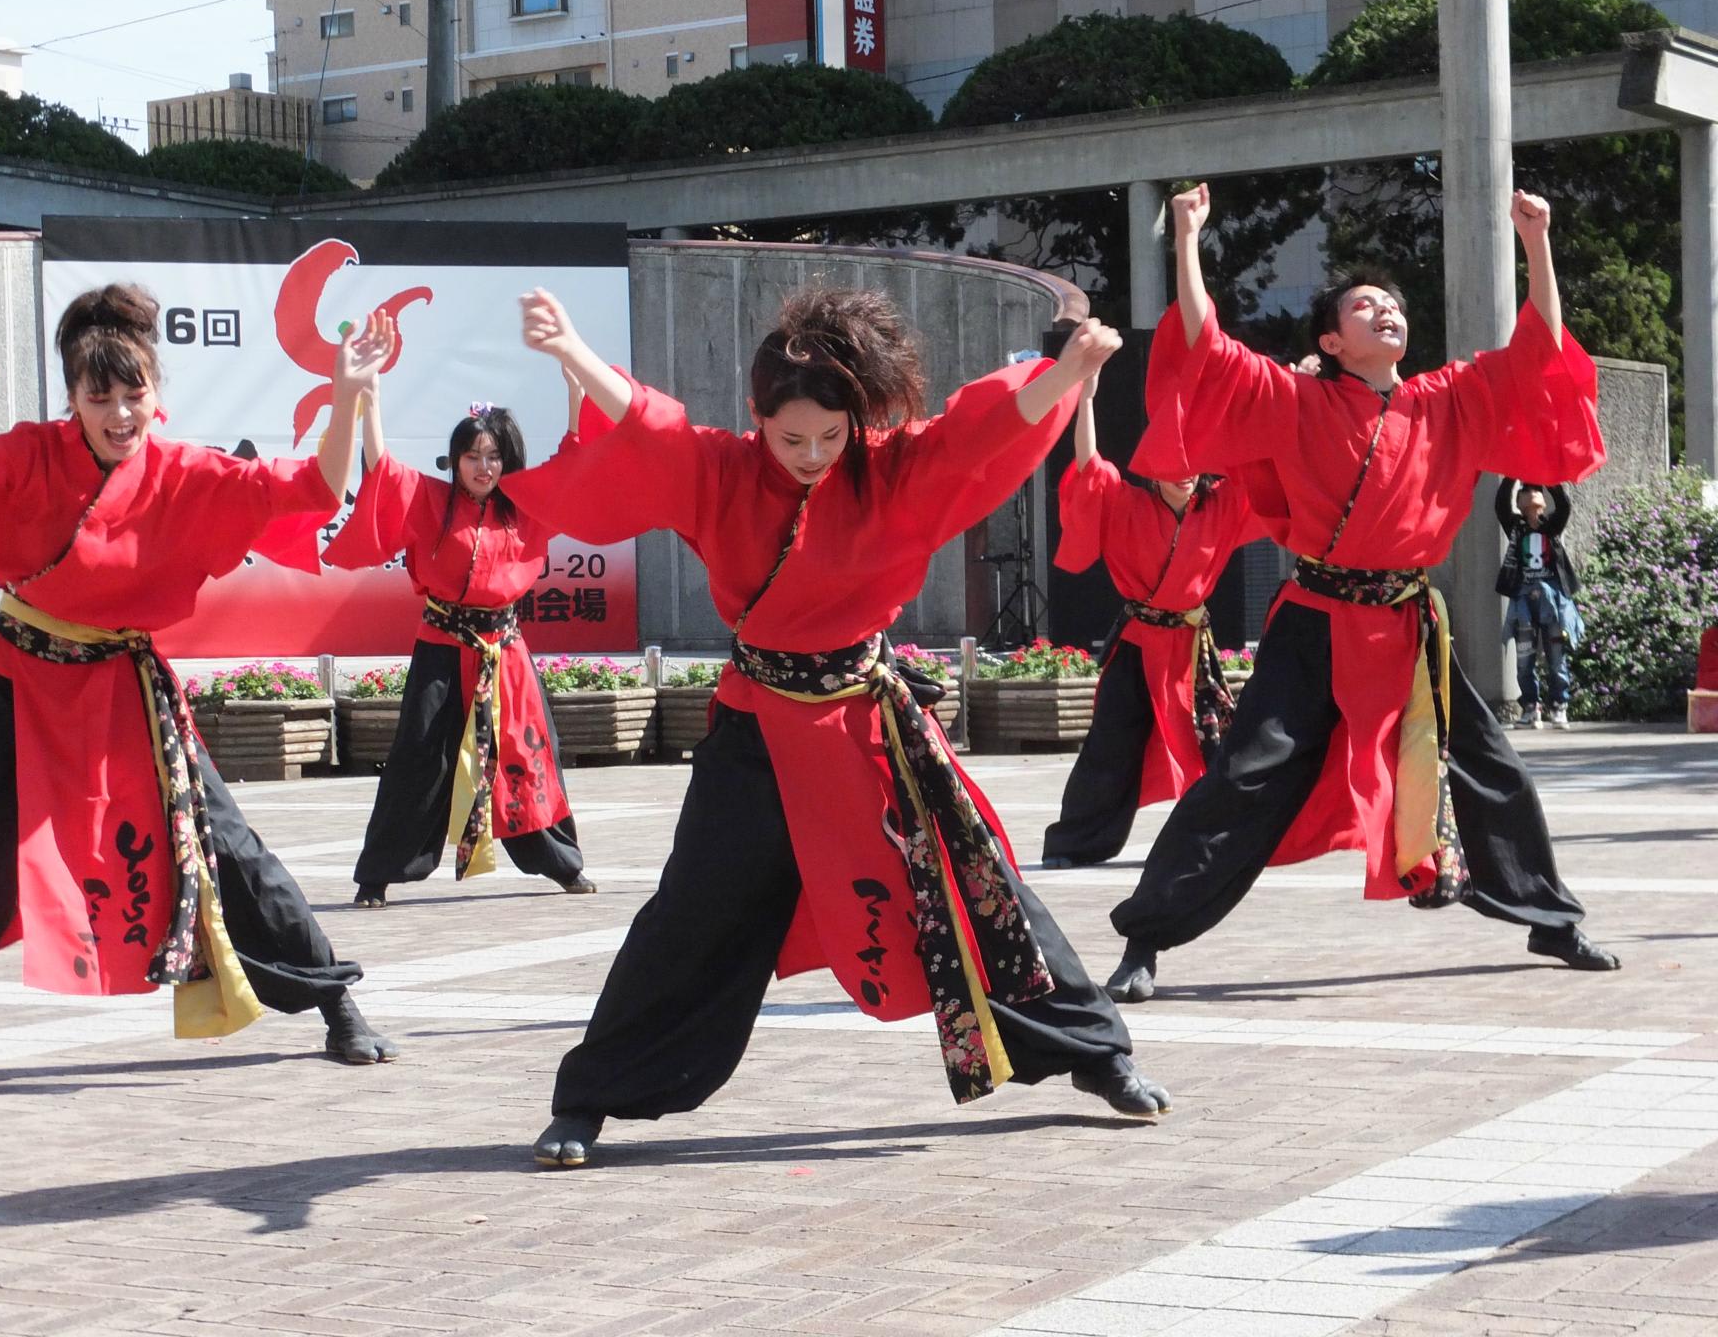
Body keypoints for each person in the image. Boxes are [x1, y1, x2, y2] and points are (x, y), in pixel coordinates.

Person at [502, 284, 1172, 1170]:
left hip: (869, 726)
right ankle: (592, 1099)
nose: (812, 454)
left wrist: (1069, 372)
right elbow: (648, 424)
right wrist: (570, 349)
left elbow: (979, 432)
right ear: (757, 418)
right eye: (791, 438)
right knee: (693, 913)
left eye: (830, 435)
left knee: (981, 892)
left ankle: (1097, 1054)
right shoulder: (721, 472)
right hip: (757, 731)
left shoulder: (893, 471)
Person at [0, 287, 400, 1107]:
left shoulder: (184, 472)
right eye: (99, 395)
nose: (121, 413)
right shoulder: (24, 457)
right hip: (16, 688)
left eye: (135, 393)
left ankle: (332, 996)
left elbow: (312, 491)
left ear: (159, 391)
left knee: (226, 849)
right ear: (72, 396)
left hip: (126, 696)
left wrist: (345, 394)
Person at [1101, 183, 1620, 1005]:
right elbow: (1204, 347)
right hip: (1317, 620)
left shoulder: (1449, 397)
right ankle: (1146, 939)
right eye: (1364, 305)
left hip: (1410, 622)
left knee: (1495, 772)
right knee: (1244, 777)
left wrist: (1538, 244)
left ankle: (1548, 917)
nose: (1385, 311)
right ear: (1332, 342)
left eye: (1392, 305)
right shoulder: (1296, 400)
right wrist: (1188, 242)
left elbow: (1542, 353)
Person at [322, 374, 593, 905]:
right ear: (455, 460)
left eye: (493, 456)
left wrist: (575, 396)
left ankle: (561, 863)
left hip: (504, 653)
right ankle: (379, 874)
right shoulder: (430, 500)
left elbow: (572, 467)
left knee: (527, 755)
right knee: (420, 757)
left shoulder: (524, 508)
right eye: (472, 456)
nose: (483, 467)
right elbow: (383, 472)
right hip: (442, 648)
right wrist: (370, 404)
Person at [1041, 351, 1267, 869]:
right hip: (1140, 643)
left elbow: (1263, 463)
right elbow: (1087, 466)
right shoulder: (1126, 505)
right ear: (1153, 471)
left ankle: (1219, 840)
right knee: (1110, 746)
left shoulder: (1222, 506)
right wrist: (1087, 399)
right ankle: (1076, 842)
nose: (1183, 477)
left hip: (1191, 648)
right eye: (1171, 469)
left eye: (1190, 468)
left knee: (1214, 742)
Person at [1494, 478, 1582, 731]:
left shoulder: (1551, 527)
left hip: (1551, 602)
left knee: (1556, 657)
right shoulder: (1515, 527)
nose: (1531, 495)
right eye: (1526, 492)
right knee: (1524, 658)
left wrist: (1548, 478)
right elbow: (1501, 503)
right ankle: (1531, 708)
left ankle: (1559, 706)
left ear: (1543, 502)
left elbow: (1564, 505)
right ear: (1519, 502)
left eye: (1536, 491)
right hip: (1523, 602)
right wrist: (1511, 476)